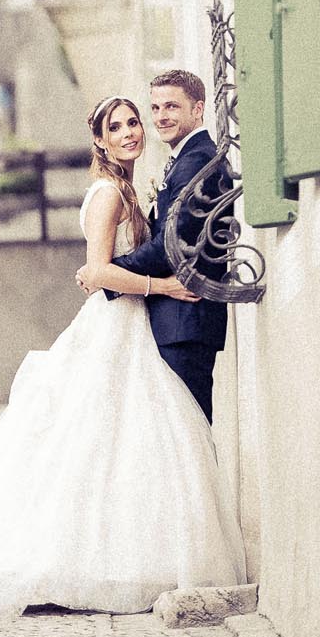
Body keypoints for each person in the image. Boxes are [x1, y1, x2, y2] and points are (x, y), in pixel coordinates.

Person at [0, 94, 246, 618]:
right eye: (118, 127)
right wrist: (166, 287)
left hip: (134, 324)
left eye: (135, 123)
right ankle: (64, 562)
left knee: (123, 446)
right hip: (119, 322)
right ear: (101, 141)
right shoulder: (107, 193)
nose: (131, 132)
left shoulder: (126, 190)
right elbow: (100, 272)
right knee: (92, 443)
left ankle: (126, 558)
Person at [79, 69, 229, 422]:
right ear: (100, 141)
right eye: (156, 108)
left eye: (171, 107)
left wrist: (102, 273)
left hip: (181, 318)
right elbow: (161, 243)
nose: (160, 116)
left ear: (198, 109)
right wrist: (103, 273)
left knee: (180, 429)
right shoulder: (111, 191)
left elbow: (169, 244)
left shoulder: (194, 160)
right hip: (156, 316)